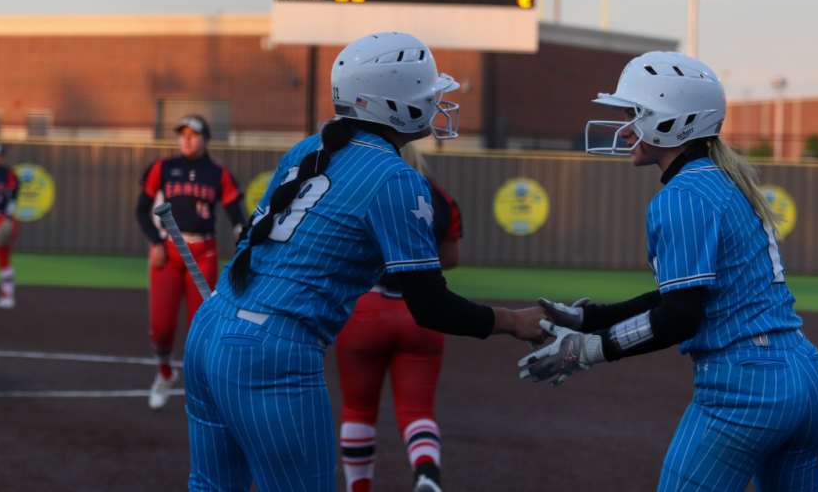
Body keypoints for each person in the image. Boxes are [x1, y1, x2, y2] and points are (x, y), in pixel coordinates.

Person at [183, 32, 546, 492]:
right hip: (270, 350)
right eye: (427, 92)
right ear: (395, 105)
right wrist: (514, 321)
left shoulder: (307, 149)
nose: (436, 101)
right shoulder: (397, 178)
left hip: (209, 325)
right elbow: (430, 305)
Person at [521, 52, 818, 491]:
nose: (627, 126)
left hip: (748, 386)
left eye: (636, 113)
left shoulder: (682, 195)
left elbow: (680, 317)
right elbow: (690, 295)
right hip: (807, 375)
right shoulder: (727, 179)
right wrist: (591, 318)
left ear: (671, 122)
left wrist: (587, 350)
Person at [336, 142, 463, 492]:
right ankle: (427, 475)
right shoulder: (438, 195)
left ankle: (359, 488)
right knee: (417, 411)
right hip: (422, 311)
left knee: (358, 410)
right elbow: (450, 258)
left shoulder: (359, 184)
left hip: (366, 309)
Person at [135, 115, 246, 410]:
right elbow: (140, 211)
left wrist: (244, 237)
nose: (186, 138)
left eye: (194, 134)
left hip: (203, 252)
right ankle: (164, 373)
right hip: (168, 251)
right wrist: (156, 242)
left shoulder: (218, 173)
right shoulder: (163, 168)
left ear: (206, 139)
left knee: (201, 327)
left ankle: (201, 387)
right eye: (182, 133)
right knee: (161, 328)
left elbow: (236, 216)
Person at [0, 143, 19, 309]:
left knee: (3, 257)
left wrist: (8, 218)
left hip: (2, 218)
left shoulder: (8, 174)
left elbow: (13, 196)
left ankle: (7, 295)